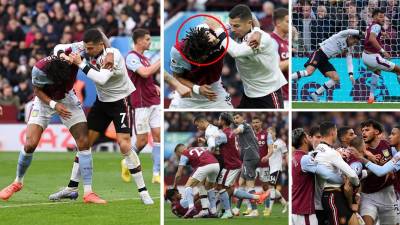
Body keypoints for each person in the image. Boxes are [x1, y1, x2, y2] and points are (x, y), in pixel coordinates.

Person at [48, 29, 153, 204]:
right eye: (86, 48)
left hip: (120, 102)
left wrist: (80, 63)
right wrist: (63, 56)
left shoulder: (113, 55)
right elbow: (59, 47)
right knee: (84, 143)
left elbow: (102, 79)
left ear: (100, 45)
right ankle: (72, 188)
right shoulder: (85, 49)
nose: (87, 52)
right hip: (102, 103)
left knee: (124, 145)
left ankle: (143, 192)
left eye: (91, 49)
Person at [0, 55, 105, 204]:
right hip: (44, 101)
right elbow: (37, 90)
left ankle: (88, 192)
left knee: (84, 141)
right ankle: (17, 182)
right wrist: (54, 105)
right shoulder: (39, 70)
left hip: (68, 99)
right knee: (30, 144)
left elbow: (86, 45)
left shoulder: (72, 62)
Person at [208, 4, 287, 108]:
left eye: (236, 26)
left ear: (249, 23)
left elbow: (236, 52)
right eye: (231, 25)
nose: (233, 29)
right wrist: (257, 29)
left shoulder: (260, 39)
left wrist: (218, 30)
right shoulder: (239, 26)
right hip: (249, 93)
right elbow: (251, 15)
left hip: (268, 93)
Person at [121, 28, 161, 184]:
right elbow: (144, 73)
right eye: (147, 39)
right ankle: (126, 162)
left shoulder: (145, 58)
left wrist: (155, 86)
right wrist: (159, 60)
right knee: (142, 141)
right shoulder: (131, 57)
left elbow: (146, 79)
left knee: (158, 136)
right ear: (138, 41)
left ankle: (156, 173)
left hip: (153, 101)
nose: (149, 42)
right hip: (141, 104)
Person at [292, 29, 361, 102]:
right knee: (308, 72)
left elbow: (349, 62)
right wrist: (361, 32)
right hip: (320, 53)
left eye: (356, 43)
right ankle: (289, 78)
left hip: (325, 59)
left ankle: (315, 94)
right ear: (350, 37)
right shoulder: (341, 35)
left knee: (336, 79)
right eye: (354, 41)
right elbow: (348, 31)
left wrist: (351, 75)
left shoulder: (349, 49)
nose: (353, 43)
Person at [314, 121, 359, 225]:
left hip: (330, 197)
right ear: (333, 133)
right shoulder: (332, 153)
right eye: (336, 131)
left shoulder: (317, 150)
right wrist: (357, 185)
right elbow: (352, 175)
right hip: (333, 196)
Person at [362, 9, 400, 103]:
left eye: (383, 16)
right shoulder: (377, 26)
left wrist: (382, 34)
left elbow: (369, 35)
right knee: (399, 70)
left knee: (377, 72)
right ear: (374, 17)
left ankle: (371, 98)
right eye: (380, 16)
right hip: (374, 58)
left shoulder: (370, 26)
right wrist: (383, 52)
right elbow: (371, 39)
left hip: (365, 56)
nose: (383, 19)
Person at [173, 144, 220, 218]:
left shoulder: (184, 153)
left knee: (188, 186)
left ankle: (191, 207)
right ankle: (212, 211)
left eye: (177, 155)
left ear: (179, 152)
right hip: (216, 165)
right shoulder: (199, 148)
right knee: (207, 187)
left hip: (204, 165)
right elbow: (215, 150)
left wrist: (175, 185)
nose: (178, 157)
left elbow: (179, 173)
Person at [231, 112, 260, 216]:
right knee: (241, 183)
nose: (235, 120)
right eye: (234, 118)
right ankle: (237, 209)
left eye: (237, 117)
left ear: (242, 118)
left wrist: (230, 133)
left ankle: (255, 210)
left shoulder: (244, 125)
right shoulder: (245, 127)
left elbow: (238, 130)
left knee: (249, 184)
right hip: (247, 158)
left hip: (250, 157)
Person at [270, 8, 289, 106]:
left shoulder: (288, 41)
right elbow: (274, 68)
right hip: (281, 96)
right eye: (287, 22)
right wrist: (292, 61)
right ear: (278, 23)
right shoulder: (271, 41)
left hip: (292, 94)